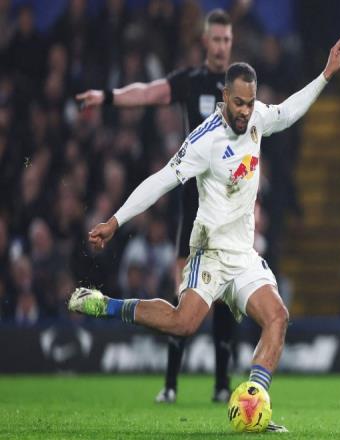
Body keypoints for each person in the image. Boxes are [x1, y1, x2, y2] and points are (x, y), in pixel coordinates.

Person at [69, 32, 340, 433]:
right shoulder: (205, 140)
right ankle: (106, 305)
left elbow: (288, 112)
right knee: (184, 324)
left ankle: (254, 404)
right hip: (210, 251)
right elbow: (161, 180)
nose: (245, 111)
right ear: (224, 96)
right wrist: (115, 221)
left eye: (250, 103)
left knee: (277, 317)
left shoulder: (257, 119)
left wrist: (325, 74)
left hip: (243, 255)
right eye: (238, 103)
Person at [76, 9, 237, 404]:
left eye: (227, 40)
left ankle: (221, 384)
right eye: (216, 39)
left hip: (229, 207)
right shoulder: (191, 82)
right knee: (185, 294)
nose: (221, 46)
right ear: (205, 41)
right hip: (194, 204)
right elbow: (148, 93)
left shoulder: (240, 89)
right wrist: (108, 97)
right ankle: (170, 384)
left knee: (225, 296)